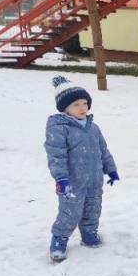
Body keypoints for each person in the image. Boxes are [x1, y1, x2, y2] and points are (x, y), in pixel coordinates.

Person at [44, 76, 118, 263]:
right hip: (71, 182)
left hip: (94, 180)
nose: (82, 107)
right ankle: (59, 239)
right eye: (76, 104)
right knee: (70, 212)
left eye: (85, 103)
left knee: (93, 209)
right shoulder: (59, 128)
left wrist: (111, 169)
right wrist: (61, 178)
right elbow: (56, 155)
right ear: (65, 108)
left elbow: (103, 151)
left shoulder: (93, 128)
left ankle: (88, 233)